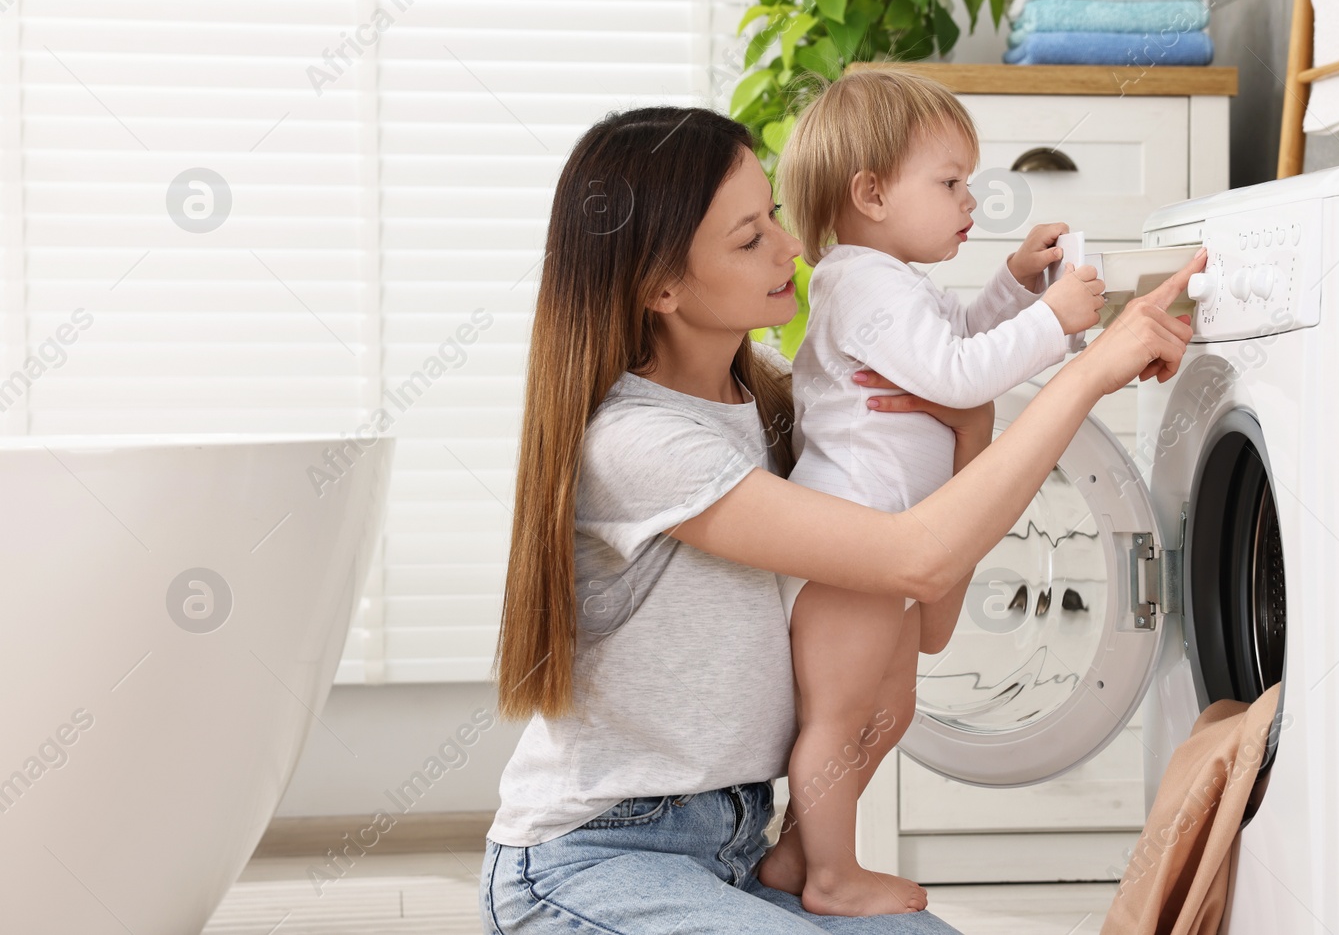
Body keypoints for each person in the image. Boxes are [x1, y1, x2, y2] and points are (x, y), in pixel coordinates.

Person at [479, 103, 1206, 935]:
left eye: (775, 218)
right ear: (660, 286)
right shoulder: (640, 443)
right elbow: (917, 559)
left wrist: (971, 425)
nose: (792, 246)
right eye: (749, 237)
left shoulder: (789, 406)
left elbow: (930, 618)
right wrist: (1087, 375)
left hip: (740, 844)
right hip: (593, 859)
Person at [759, 64, 1107, 916]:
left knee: (890, 708)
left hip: (884, 543)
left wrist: (1015, 286)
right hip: (850, 545)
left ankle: (796, 859)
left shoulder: (890, 282)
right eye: (950, 182)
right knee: (841, 719)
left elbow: (954, 340)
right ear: (871, 193)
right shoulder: (861, 283)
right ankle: (835, 876)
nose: (970, 201)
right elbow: (957, 375)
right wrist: (1055, 320)